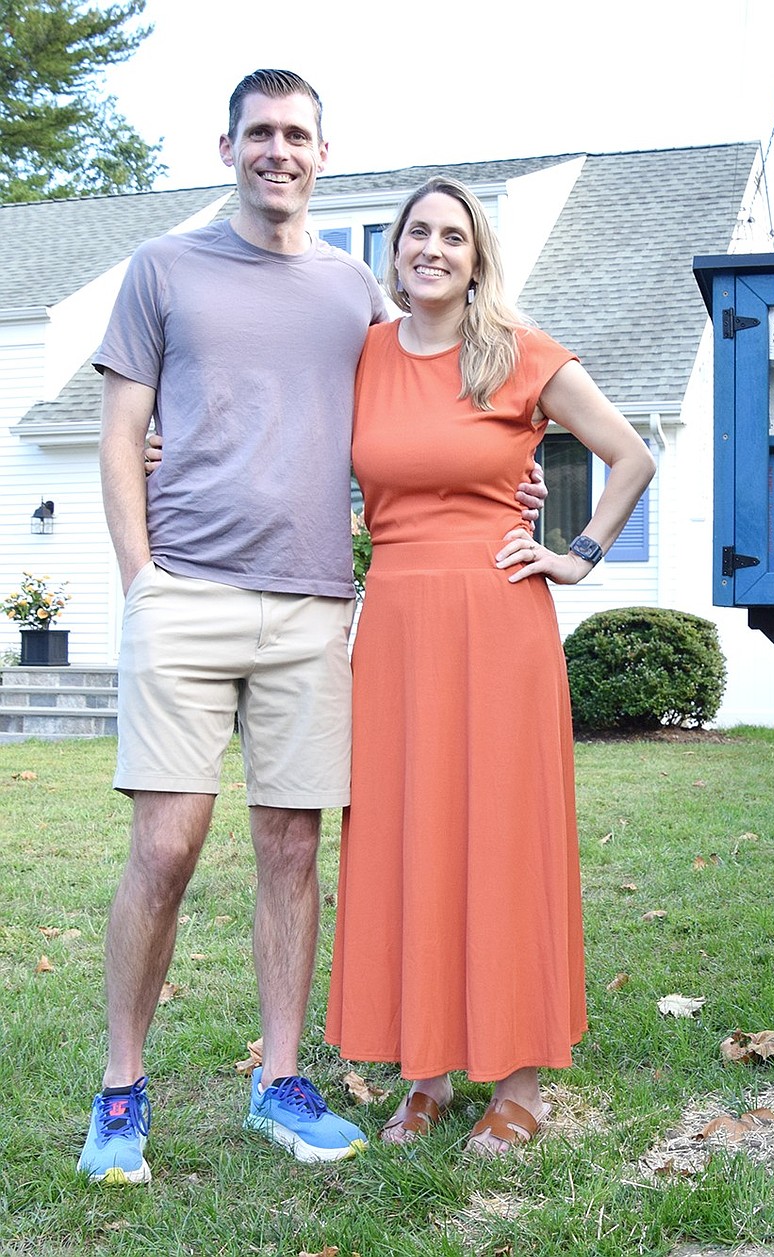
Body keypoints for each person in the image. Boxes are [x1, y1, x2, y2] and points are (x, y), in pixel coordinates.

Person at [80, 72, 546, 1185]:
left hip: (313, 603)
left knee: (293, 848)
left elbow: (433, 398)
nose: (277, 150)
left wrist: (515, 495)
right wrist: (140, 578)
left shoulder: (355, 295)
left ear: (323, 154)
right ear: (227, 146)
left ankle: (279, 1082)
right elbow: (118, 436)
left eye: (296, 134)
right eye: (259, 133)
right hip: (186, 591)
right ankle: (119, 1091)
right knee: (167, 844)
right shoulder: (162, 269)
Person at [325, 177, 656, 1155]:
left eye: (451, 237)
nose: (431, 249)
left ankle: (519, 1080)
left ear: (476, 258)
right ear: (395, 250)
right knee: (405, 834)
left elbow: (629, 457)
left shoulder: (516, 352)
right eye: (416, 232)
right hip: (393, 627)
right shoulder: (366, 355)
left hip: (496, 623)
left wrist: (576, 551)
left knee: (502, 837)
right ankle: (423, 1073)